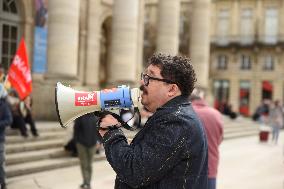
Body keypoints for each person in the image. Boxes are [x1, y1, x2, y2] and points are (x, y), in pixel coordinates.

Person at [99, 53, 208, 189]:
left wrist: (111, 132)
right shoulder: (175, 116)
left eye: (149, 77)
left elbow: (134, 171)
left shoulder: (176, 122)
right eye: (144, 76)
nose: (142, 82)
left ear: (172, 89)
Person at [190, 88, 224, 189]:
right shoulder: (216, 114)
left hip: (189, 172)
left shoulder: (186, 113)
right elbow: (220, 139)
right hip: (210, 169)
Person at [73, 113, 100, 189]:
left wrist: (99, 142)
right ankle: (86, 182)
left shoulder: (96, 118)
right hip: (82, 144)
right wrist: (77, 141)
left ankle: (87, 182)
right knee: (84, 164)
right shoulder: (80, 117)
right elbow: (76, 130)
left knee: (88, 164)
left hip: (92, 144)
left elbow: (98, 131)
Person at [0, 84, 13, 189]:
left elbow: (9, 120)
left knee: (0, 162)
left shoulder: (4, 106)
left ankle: (3, 183)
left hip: (0, 140)